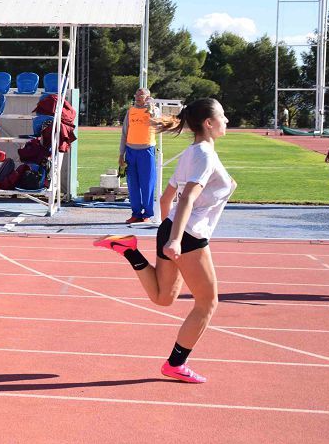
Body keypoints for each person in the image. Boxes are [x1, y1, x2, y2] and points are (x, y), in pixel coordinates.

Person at [94, 98, 236, 384]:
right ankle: (176, 363)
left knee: (164, 298)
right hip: (186, 236)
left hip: (172, 228)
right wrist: (174, 240)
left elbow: (167, 197)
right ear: (208, 123)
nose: (227, 121)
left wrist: (166, 228)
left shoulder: (192, 152)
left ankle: (130, 251)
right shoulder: (204, 156)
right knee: (207, 303)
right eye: (223, 116)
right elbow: (189, 200)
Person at [118, 87, 159, 224]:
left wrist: (150, 106)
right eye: (136, 95)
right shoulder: (130, 111)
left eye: (141, 95)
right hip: (131, 151)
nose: (138, 98)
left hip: (147, 151)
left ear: (148, 97)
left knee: (147, 184)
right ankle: (136, 213)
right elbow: (124, 133)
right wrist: (121, 154)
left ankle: (147, 213)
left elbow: (156, 119)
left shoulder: (154, 110)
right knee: (132, 184)